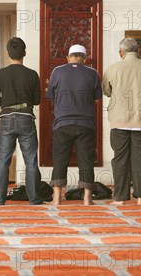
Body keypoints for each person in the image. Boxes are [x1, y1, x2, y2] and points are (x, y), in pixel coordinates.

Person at [102, 38, 141, 205]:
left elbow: (106, 91)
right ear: (138, 50)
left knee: (120, 158)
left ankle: (120, 197)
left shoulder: (113, 68)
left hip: (119, 120)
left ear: (121, 53)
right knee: (140, 157)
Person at [46, 44, 102, 206]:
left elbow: (50, 95)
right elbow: (97, 98)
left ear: (68, 57)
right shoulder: (93, 73)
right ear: (84, 58)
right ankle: (87, 199)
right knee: (86, 160)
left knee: (59, 159)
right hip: (86, 124)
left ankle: (57, 198)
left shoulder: (57, 71)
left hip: (62, 124)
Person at [0, 37, 42, 205]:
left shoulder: (0, 74)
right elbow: (36, 100)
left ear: (8, 53)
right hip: (26, 117)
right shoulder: (32, 74)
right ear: (24, 53)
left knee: (3, 160)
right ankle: (34, 198)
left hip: (6, 117)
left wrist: (6, 102)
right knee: (31, 160)